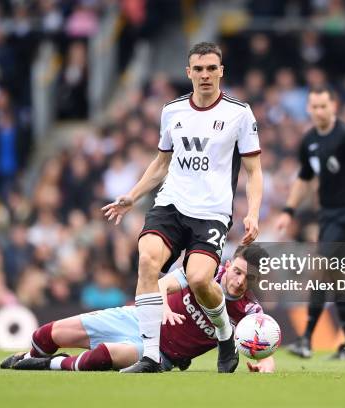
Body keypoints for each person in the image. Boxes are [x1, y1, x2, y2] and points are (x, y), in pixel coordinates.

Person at [101, 42, 262, 373]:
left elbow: (254, 170)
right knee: (147, 259)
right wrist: (133, 195)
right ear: (188, 73)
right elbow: (162, 162)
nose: (205, 75)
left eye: (211, 68)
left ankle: (224, 335)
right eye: (198, 69)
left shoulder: (239, 113)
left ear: (221, 71)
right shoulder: (172, 111)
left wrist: (253, 212)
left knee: (199, 279)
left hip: (212, 213)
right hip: (171, 204)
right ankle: (150, 356)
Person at [0, 245, 274, 373]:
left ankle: (48, 365)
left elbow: (264, 344)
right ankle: (29, 356)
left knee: (104, 355)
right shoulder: (205, 271)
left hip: (163, 354)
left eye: (248, 278)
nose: (239, 282)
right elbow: (165, 282)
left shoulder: (249, 309)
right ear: (229, 264)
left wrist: (266, 368)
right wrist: (164, 305)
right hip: (136, 319)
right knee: (46, 334)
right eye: (237, 271)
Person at [275, 85, 345, 359]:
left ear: (334, 106)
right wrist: (288, 210)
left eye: (324, 105)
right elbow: (304, 178)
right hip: (327, 215)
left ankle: (306, 339)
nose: (319, 111)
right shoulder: (309, 141)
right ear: (309, 108)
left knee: (320, 268)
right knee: (338, 278)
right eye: (315, 106)